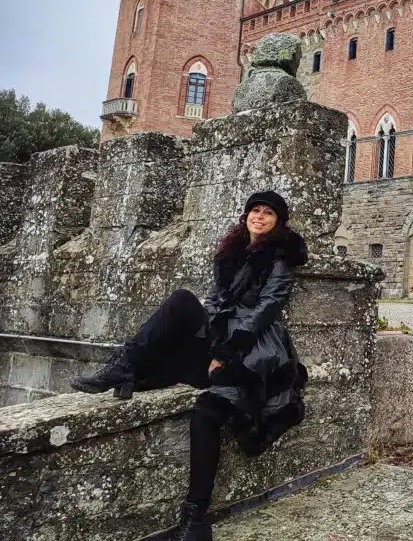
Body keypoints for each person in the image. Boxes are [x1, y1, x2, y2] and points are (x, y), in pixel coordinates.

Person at [71, 191, 308, 541]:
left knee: (208, 411)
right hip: (224, 333)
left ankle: (195, 517)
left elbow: (267, 309)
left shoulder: (280, 257)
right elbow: (214, 301)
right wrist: (208, 335)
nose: (258, 216)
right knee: (182, 301)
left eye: (267, 213)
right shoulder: (230, 252)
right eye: (254, 210)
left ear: (278, 221)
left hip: (255, 346)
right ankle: (124, 366)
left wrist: (226, 352)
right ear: (245, 217)